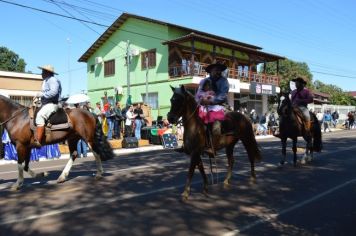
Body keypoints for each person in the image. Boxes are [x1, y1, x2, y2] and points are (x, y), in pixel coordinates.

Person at [195, 63, 229, 155]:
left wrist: (210, 101)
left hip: (220, 106)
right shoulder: (204, 81)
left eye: (219, 70)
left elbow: (223, 95)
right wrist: (201, 99)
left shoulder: (224, 81)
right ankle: (190, 144)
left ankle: (213, 148)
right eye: (216, 70)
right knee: (193, 121)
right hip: (204, 106)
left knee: (216, 126)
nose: (218, 72)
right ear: (210, 71)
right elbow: (198, 93)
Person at [33, 65, 62, 148]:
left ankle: (38, 141)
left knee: (40, 116)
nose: (41, 73)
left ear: (47, 72)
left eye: (43, 71)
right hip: (46, 103)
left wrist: (41, 94)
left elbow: (54, 92)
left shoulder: (52, 80)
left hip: (53, 103)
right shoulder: (46, 80)